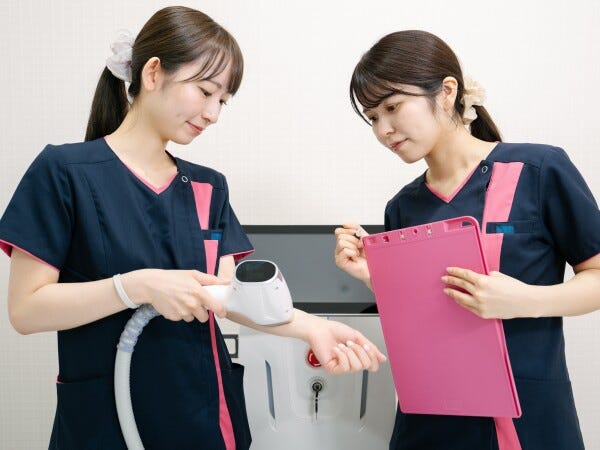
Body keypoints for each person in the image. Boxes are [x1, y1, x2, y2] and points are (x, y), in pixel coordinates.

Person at [0, 6, 385, 450]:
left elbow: (228, 297)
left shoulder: (208, 187)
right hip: (105, 418)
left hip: (203, 412)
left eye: (223, 100)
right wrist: (135, 287)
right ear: (153, 73)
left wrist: (312, 328)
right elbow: (26, 310)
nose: (213, 113)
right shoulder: (64, 172)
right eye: (205, 91)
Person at [334, 29, 600, 450]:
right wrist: (375, 278)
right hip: (428, 423)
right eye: (372, 118)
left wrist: (526, 301)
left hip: (528, 420)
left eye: (392, 107)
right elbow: (426, 318)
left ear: (446, 92)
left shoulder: (538, 170)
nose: (383, 129)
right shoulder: (402, 208)